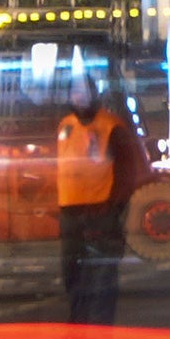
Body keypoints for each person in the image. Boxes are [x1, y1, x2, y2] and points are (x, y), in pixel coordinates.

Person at [53, 78, 130, 325]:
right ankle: (77, 327)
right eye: (74, 92)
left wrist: (115, 207)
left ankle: (100, 332)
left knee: (102, 276)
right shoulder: (65, 125)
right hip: (71, 213)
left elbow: (127, 170)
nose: (78, 97)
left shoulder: (111, 126)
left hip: (101, 211)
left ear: (94, 94)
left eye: (83, 92)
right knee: (73, 275)